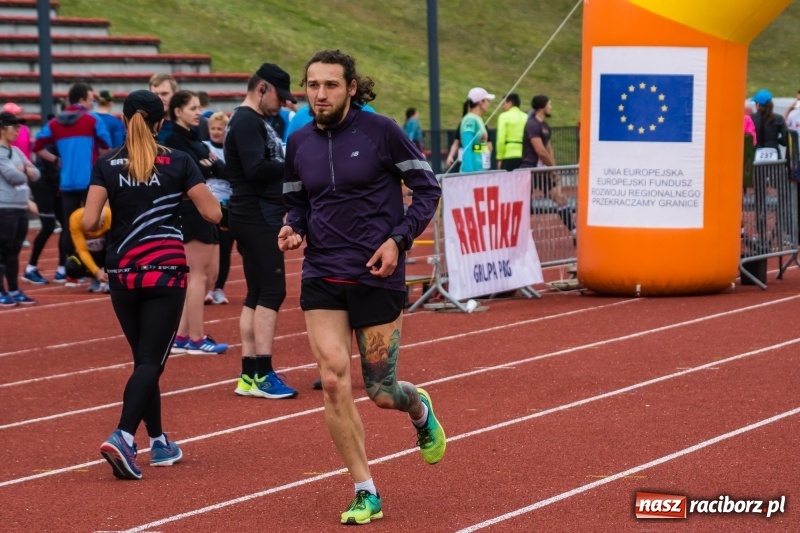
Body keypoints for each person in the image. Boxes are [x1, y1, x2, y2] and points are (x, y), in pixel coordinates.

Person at [280, 49, 445, 525]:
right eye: (313, 85)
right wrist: (294, 227)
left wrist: (398, 240)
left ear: (351, 87)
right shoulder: (299, 142)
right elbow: (298, 204)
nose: (320, 94)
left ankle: (418, 408)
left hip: (376, 273)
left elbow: (428, 189)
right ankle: (365, 489)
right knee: (333, 380)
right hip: (322, 274)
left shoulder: (382, 132)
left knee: (381, 391)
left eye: (330, 85)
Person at [84, 90, 221, 480]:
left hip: (123, 273)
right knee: (150, 362)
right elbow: (211, 212)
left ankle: (159, 441)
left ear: (126, 120)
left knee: (145, 360)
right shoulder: (179, 160)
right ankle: (125, 436)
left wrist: (123, 203)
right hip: (165, 271)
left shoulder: (106, 163)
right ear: (162, 122)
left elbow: (90, 222)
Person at [224, 63, 299, 399]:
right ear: (263, 88)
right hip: (257, 215)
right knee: (271, 291)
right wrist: (295, 163)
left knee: (256, 293)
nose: (282, 105)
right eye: (279, 97)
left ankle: (249, 373)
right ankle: (264, 373)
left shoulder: (252, 121)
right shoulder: (246, 121)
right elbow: (255, 169)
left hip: (253, 213)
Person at [163, 91, 228, 355]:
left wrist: (208, 165)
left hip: (204, 206)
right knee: (198, 275)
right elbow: (192, 171)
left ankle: (181, 336)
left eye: (199, 107)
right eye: (192, 108)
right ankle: (197, 338)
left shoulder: (192, 138)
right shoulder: (173, 138)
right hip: (189, 209)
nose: (198, 112)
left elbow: (218, 167)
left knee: (210, 273)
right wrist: (206, 166)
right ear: (178, 111)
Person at [32, 82, 111, 282]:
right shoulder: (92, 120)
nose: (93, 103)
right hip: (90, 181)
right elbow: (107, 147)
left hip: (67, 181)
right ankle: (95, 270)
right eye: (92, 99)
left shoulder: (54, 123)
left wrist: (57, 160)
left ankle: (66, 269)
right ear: (83, 100)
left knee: (69, 227)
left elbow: (37, 146)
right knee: (95, 222)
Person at [0, 111, 40, 307]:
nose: (18, 130)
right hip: (4, 208)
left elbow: (36, 174)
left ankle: (14, 289)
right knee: (3, 251)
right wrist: (26, 171)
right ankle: (1, 291)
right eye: (14, 126)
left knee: (14, 252)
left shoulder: (16, 152)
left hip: (19, 207)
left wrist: (24, 170)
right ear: (2, 129)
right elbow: (13, 177)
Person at [521, 94, 575, 237]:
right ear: (543, 106)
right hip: (530, 169)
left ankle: (574, 231)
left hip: (543, 171)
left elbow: (548, 149)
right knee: (523, 203)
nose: (551, 107)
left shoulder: (545, 126)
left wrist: (553, 169)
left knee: (560, 198)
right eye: (549, 104)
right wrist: (551, 166)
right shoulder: (532, 124)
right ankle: (517, 236)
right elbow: (540, 150)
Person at [203, 111, 232, 305]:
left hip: (228, 204)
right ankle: (205, 288)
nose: (215, 132)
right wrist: (217, 169)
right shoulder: (203, 147)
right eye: (213, 128)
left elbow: (231, 173)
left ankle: (219, 288)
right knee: (206, 248)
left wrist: (216, 166)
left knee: (225, 249)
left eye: (219, 129)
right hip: (206, 201)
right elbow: (201, 169)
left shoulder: (231, 150)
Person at [149, 74, 210, 143]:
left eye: (164, 94)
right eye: (155, 94)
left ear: (175, 94)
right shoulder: (146, 125)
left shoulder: (198, 123)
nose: (159, 98)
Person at [66, 204, 111, 293]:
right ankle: (95, 278)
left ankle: (112, 277)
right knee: (72, 266)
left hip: (107, 249)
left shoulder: (110, 216)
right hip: (91, 252)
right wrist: (96, 272)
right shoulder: (75, 219)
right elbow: (82, 251)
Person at [459, 87, 494, 173]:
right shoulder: (470, 119)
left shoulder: (478, 119)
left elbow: (474, 147)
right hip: (472, 172)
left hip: (480, 170)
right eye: (487, 100)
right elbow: (467, 147)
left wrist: (485, 148)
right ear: (480, 102)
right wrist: (469, 173)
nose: (488, 104)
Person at [495, 93, 527, 170]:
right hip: (525, 156)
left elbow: (501, 139)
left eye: (503, 104)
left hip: (509, 155)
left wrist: (500, 157)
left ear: (510, 103)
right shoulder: (526, 117)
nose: (502, 107)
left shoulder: (504, 116)